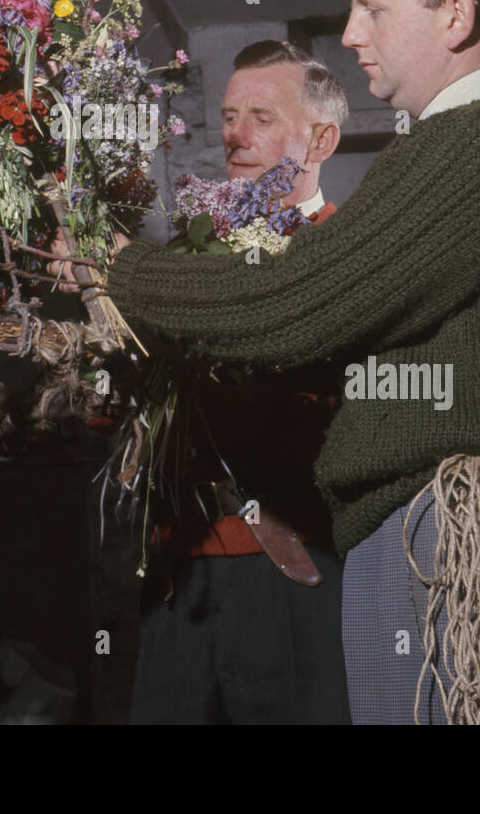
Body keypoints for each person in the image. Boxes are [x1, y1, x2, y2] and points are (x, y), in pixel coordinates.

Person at [107, 0, 480, 725]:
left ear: (455, 15)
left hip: (467, 539)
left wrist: (121, 269)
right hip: (437, 533)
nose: (349, 34)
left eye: (371, 9)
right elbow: (339, 333)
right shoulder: (458, 143)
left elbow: (298, 299)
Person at [127, 39, 351, 725]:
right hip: (181, 565)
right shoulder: (192, 254)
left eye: (260, 115)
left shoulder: (348, 253)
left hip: (293, 565)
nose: (234, 134)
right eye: (227, 115)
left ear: (322, 138)